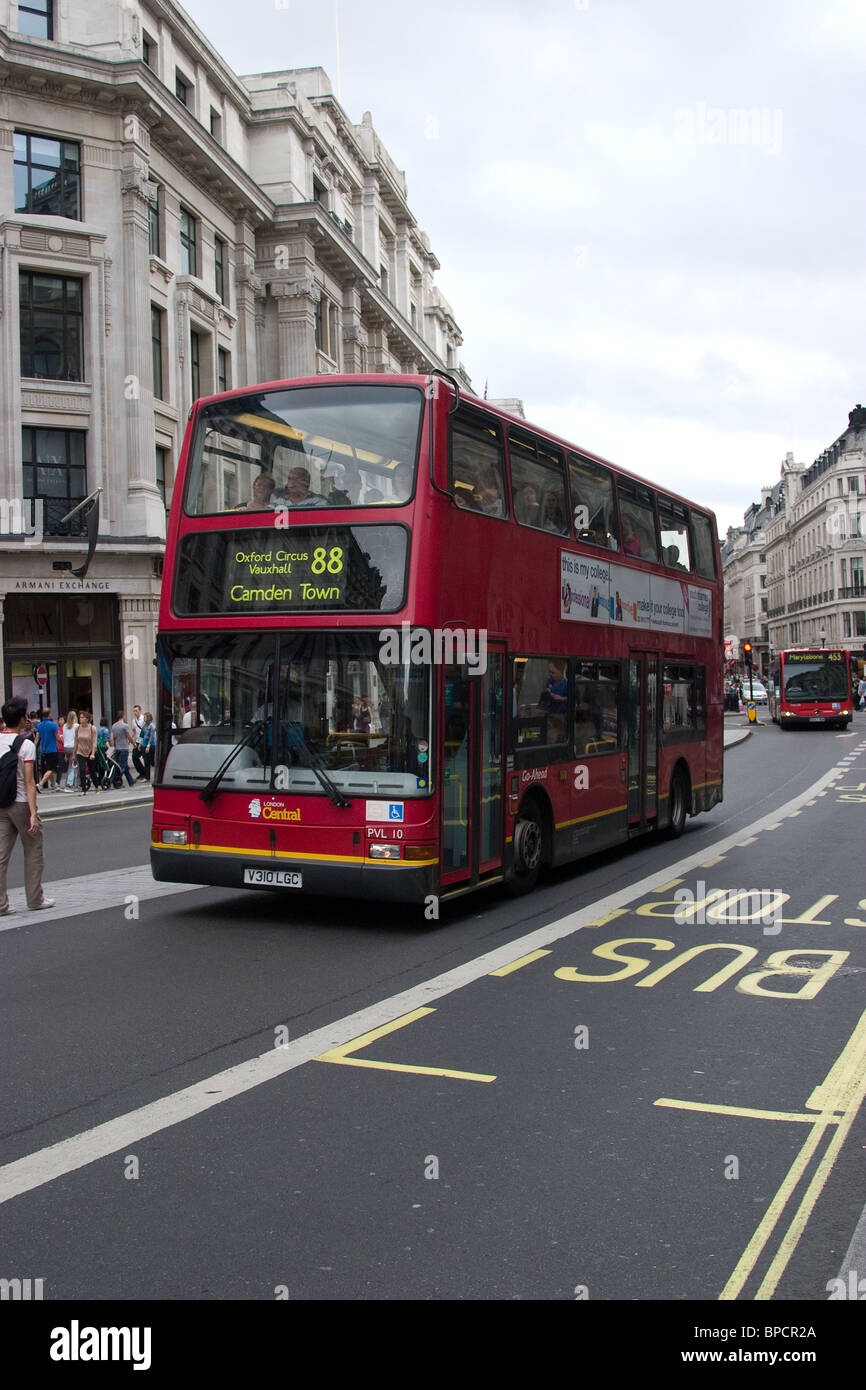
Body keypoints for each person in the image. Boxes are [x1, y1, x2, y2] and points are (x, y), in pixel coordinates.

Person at [0, 695, 55, 914]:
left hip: (1, 803)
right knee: (33, 851)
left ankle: (1, 904)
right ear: (23, 719)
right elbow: (30, 782)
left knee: (1, 856)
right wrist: (33, 813)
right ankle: (35, 899)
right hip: (21, 803)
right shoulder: (26, 745)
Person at [73, 711, 99, 796]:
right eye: (80, 717)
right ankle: (83, 789)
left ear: (87, 719)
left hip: (90, 751)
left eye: (82, 717)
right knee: (82, 770)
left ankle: (96, 786)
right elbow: (76, 741)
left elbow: (94, 742)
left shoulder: (92, 728)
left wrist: (93, 753)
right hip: (80, 751)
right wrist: (74, 754)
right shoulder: (77, 728)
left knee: (92, 770)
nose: (80, 719)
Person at [35, 707, 61, 792]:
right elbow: (57, 737)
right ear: (49, 714)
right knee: (52, 768)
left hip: (44, 749)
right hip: (52, 749)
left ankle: (53, 785)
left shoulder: (39, 725)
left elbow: (37, 738)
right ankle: (40, 784)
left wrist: (34, 746)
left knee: (49, 767)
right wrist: (62, 742)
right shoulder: (53, 725)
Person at [109, 710, 137, 788]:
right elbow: (129, 737)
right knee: (122, 766)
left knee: (124, 765)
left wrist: (113, 745)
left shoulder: (114, 726)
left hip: (117, 748)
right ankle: (116, 781)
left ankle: (130, 781)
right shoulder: (125, 726)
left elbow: (112, 738)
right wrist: (134, 744)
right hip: (124, 747)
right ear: (123, 716)